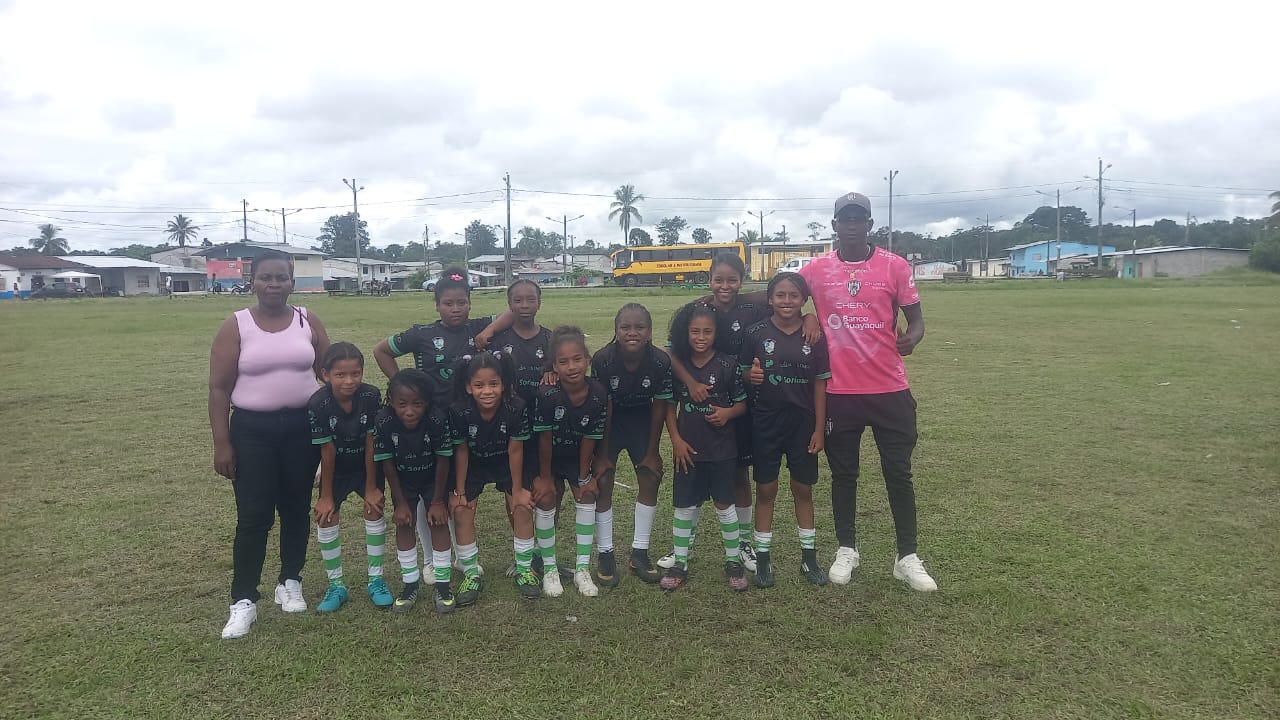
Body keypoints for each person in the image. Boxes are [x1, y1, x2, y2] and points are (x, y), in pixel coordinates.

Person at [798, 191, 937, 592]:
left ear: (870, 225)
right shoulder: (816, 269)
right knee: (844, 475)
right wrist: (806, 314)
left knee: (899, 473)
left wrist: (914, 337)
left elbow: (916, 321)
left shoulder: (894, 266)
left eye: (859, 218)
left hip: (889, 389)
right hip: (840, 392)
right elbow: (781, 297)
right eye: (846, 218)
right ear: (835, 225)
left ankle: (906, 557)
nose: (852, 225)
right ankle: (847, 549)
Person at [208, 249, 330, 639]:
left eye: (281, 277)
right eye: (265, 277)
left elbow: (329, 373)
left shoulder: (307, 319)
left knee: (296, 509)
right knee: (253, 516)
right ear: (253, 281)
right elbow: (219, 388)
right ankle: (243, 599)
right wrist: (222, 443)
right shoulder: (236, 325)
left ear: (292, 282)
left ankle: (290, 581)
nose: (273, 284)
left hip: (301, 429)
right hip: (252, 431)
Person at [373, 267, 514, 576]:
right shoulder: (421, 333)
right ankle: (430, 560)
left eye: (462, 302)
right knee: (428, 494)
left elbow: (512, 313)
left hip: (464, 423)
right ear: (437, 305)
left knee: (451, 491)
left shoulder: (476, 327)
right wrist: (405, 386)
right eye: (448, 303)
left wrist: (487, 332)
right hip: (429, 424)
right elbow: (381, 351)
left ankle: (460, 556)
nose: (455, 309)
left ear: (470, 303)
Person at [662, 253, 770, 573]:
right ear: (708, 279)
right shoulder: (698, 310)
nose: (725, 286)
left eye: (732, 280)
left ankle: (744, 543)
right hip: (699, 405)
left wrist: (809, 320)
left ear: (742, 280)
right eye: (718, 279)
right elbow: (671, 350)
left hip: (739, 403)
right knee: (692, 472)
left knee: (739, 474)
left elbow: (781, 298)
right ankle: (684, 546)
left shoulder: (751, 309)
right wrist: (690, 382)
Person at [738, 273, 830, 587]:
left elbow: (820, 385)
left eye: (793, 295)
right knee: (766, 490)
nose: (787, 301)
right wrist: (750, 376)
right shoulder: (755, 333)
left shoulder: (814, 335)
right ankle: (763, 560)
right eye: (780, 295)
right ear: (770, 299)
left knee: (803, 489)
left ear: (803, 300)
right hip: (765, 422)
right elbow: (743, 373)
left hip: (803, 424)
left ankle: (809, 558)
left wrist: (819, 428)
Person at [661, 304, 749, 592]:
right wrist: (676, 441)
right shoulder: (679, 367)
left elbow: (742, 404)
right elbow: (669, 407)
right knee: (684, 506)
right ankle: (680, 563)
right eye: (695, 331)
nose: (701, 337)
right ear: (684, 333)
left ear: (717, 333)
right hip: (688, 450)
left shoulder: (727, 365)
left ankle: (733, 561)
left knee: (725, 504)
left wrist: (727, 414)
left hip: (722, 450)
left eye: (707, 332)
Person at [448, 352, 541, 603]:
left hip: (506, 461)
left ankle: (525, 569)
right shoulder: (458, 410)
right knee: (462, 510)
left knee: (521, 507)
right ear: (468, 387)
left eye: (493, 384)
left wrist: (518, 490)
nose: (487, 391)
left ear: (504, 384)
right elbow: (461, 450)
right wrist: (459, 491)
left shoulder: (516, 407)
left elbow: (515, 450)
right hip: (474, 463)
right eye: (479, 385)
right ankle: (470, 573)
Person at [591, 303, 673, 583]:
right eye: (625, 327)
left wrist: (652, 452)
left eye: (640, 327)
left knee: (650, 477)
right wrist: (602, 454)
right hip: (611, 422)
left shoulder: (660, 361)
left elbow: (660, 406)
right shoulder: (603, 359)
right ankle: (605, 553)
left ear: (649, 332)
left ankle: (640, 552)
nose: (632, 332)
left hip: (642, 420)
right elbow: (603, 406)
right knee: (603, 479)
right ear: (616, 331)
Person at [306, 342, 391, 612]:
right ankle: (336, 586)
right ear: (325, 374)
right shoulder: (318, 403)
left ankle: (376, 580)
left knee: (374, 509)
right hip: (336, 469)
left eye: (355, 373)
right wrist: (326, 496)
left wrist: (372, 487)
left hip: (366, 467)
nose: (349, 381)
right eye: (340, 375)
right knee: (327, 516)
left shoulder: (370, 395)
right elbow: (327, 450)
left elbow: (371, 442)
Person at [530, 326, 608, 598]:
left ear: (588, 360)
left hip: (577, 456)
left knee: (587, 495)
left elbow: (589, 438)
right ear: (554, 366)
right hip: (548, 457)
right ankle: (549, 568)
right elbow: (544, 438)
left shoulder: (598, 393)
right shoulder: (547, 394)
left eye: (577, 359)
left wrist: (584, 476)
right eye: (563, 362)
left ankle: (582, 569)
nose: (572, 367)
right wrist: (544, 477)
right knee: (546, 497)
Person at [374, 369, 457, 613]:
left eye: (417, 404)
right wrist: (400, 503)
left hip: (434, 479)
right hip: (403, 481)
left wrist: (438, 501)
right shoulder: (384, 421)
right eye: (402, 404)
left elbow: (443, 459)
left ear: (427, 402)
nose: (409, 411)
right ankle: (409, 584)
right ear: (391, 402)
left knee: (438, 523)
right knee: (404, 523)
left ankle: (443, 585)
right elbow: (387, 464)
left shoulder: (437, 419)